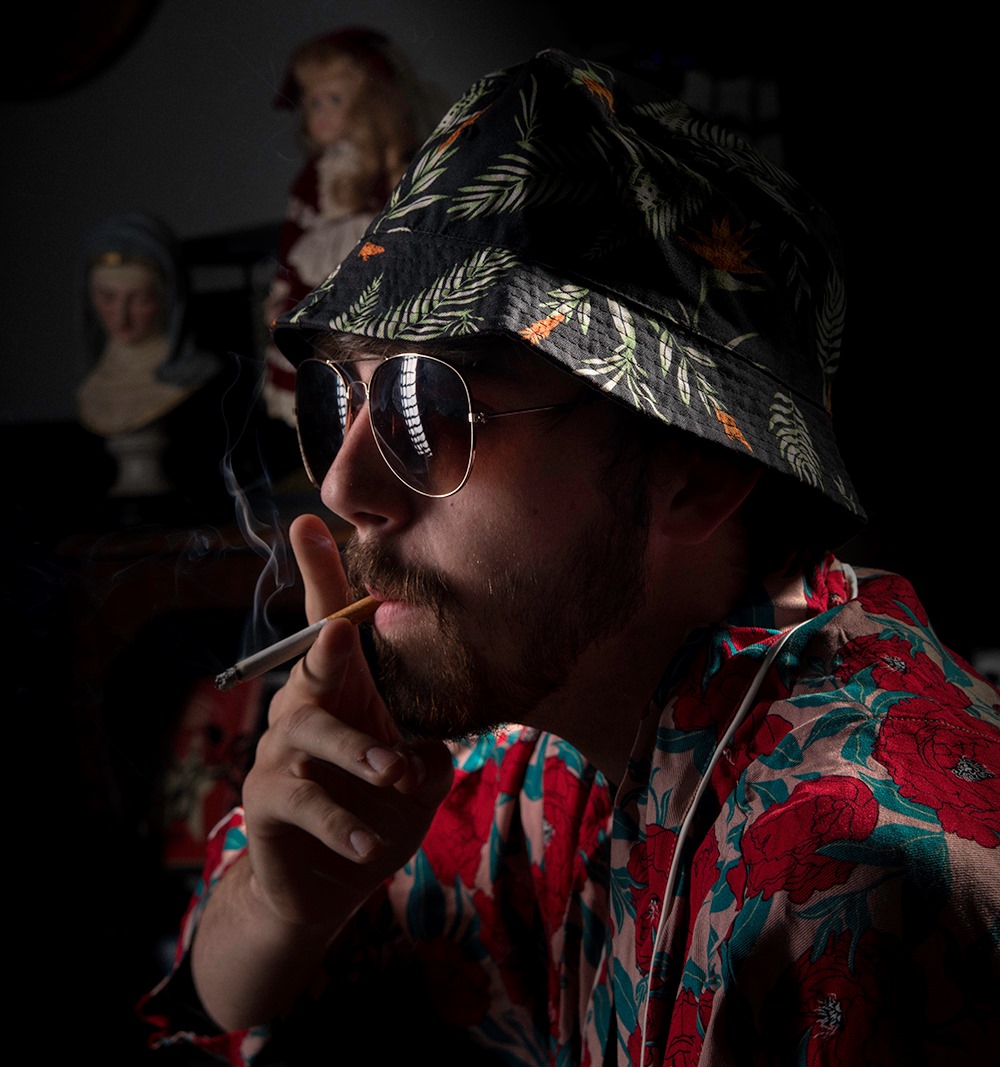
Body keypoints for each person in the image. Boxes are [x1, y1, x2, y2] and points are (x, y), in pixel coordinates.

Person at [142, 50, 1000, 1064]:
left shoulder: (867, 885)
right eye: (342, 397)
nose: (341, 486)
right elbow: (234, 980)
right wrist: (276, 902)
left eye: (424, 402)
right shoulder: (553, 746)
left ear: (694, 470)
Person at [261, 26, 443, 427]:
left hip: (372, 274)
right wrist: (282, 289)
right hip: (316, 287)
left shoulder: (390, 163)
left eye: (334, 100)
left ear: (369, 103)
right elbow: (292, 237)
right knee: (322, 371)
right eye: (313, 103)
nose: (322, 112)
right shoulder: (311, 177)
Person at [75, 212, 225, 509]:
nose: (121, 318)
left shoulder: (198, 372)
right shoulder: (90, 383)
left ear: (168, 297)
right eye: (107, 297)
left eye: (140, 299)